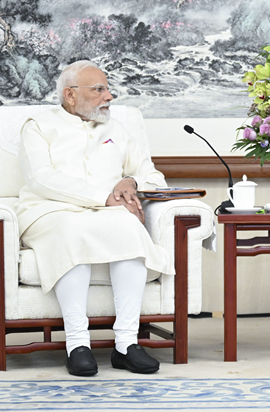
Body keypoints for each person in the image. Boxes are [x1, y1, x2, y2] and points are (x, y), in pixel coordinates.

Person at [16, 60, 169, 377]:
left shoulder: (116, 129)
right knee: (72, 228)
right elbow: (41, 179)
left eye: (108, 89)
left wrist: (131, 182)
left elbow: (152, 176)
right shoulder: (38, 126)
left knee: (128, 225)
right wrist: (104, 197)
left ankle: (126, 344)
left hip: (106, 213)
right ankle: (77, 344)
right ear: (70, 95)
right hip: (50, 211)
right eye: (99, 89)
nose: (108, 96)